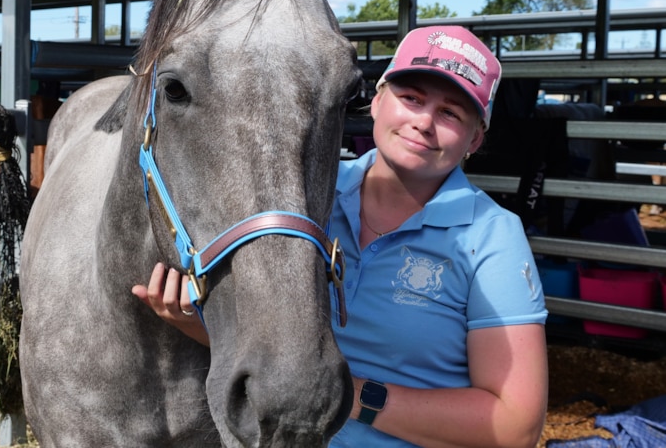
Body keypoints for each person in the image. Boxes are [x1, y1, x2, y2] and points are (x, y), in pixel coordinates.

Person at [132, 25, 549, 448]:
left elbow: (515, 427)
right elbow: (267, 347)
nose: (423, 122)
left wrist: (345, 394)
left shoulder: (491, 236)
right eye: (412, 99)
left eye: (451, 114)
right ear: (377, 101)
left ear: (475, 138)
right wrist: (198, 325)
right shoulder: (303, 199)